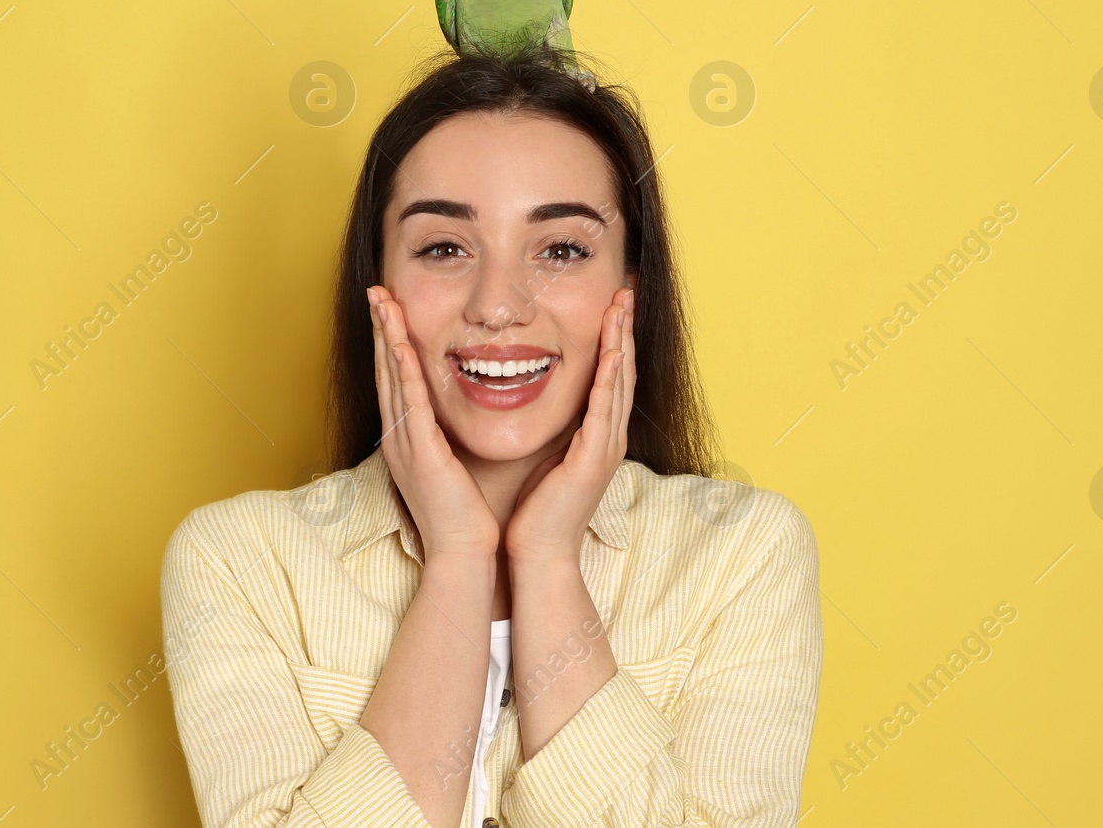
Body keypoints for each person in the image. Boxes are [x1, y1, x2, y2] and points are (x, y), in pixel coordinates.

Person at [160, 50, 822, 828]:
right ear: (379, 288)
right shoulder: (239, 561)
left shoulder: (742, 556)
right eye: (444, 247)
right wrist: (458, 559)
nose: (499, 305)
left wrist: (545, 559)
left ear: (630, 292)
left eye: (561, 249)